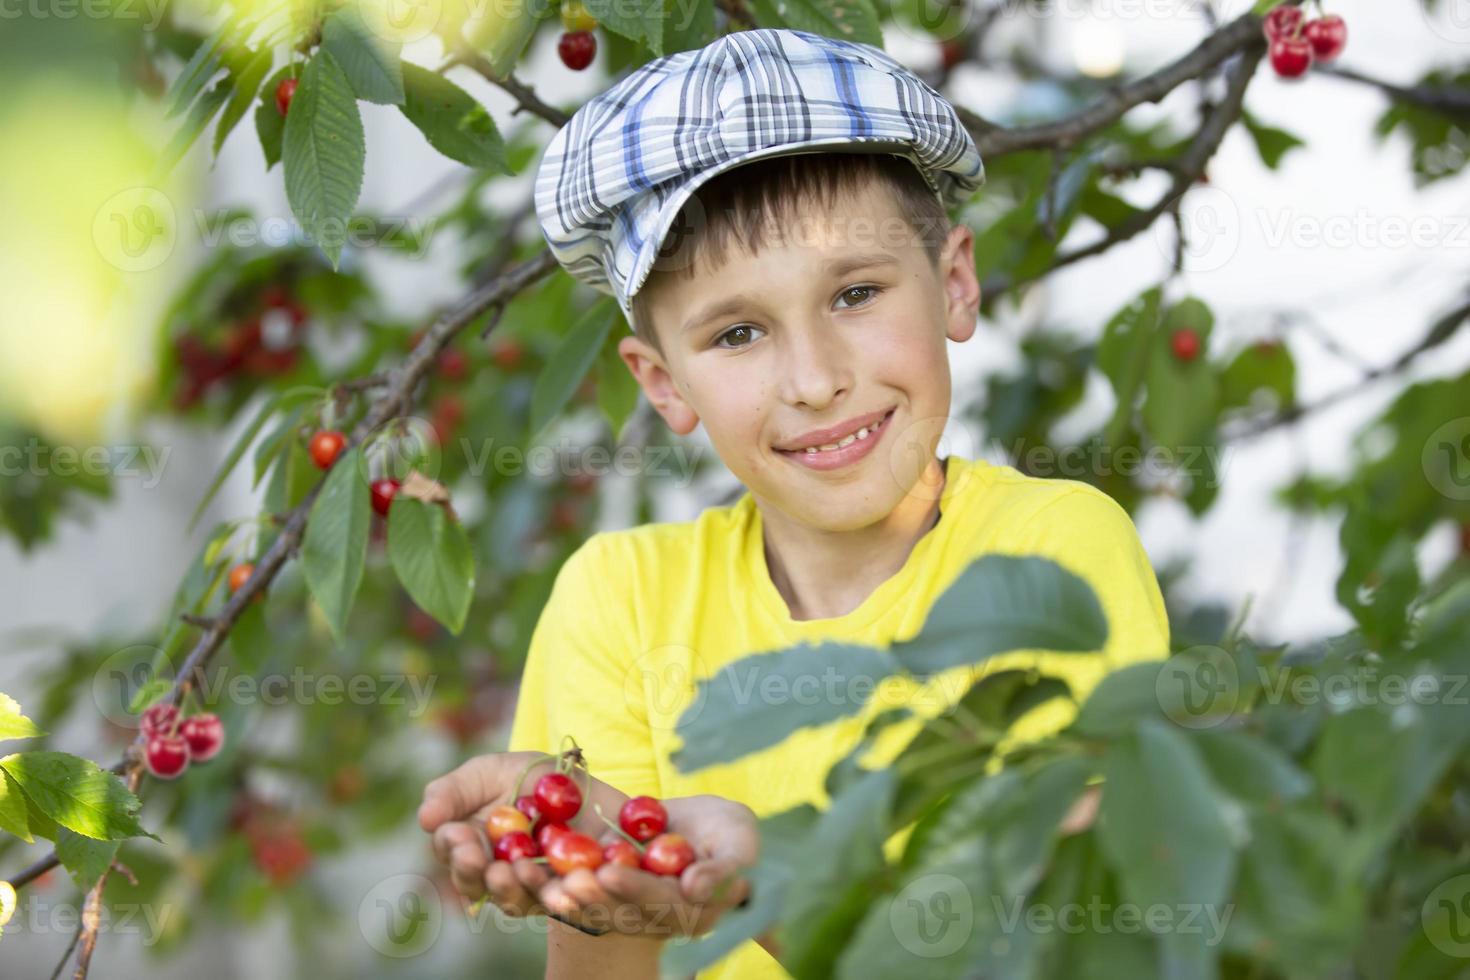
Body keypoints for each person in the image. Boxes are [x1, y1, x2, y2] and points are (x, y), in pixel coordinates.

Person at [418, 26, 1170, 979]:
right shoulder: (617, 600)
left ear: (954, 282)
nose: (815, 381)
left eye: (855, 293)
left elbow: (1068, 951)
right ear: (663, 385)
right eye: (738, 333)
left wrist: (756, 881)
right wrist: (607, 885)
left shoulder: (1050, 558)